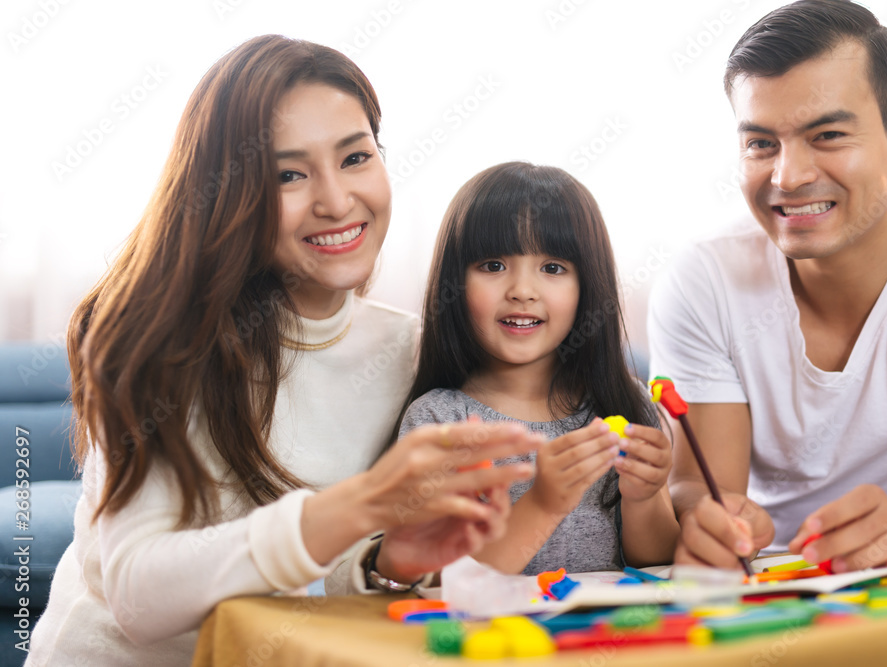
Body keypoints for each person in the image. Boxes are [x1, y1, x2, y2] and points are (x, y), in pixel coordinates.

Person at [27, 36, 542, 666]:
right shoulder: (157, 340)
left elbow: (319, 581)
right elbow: (138, 594)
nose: (335, 200)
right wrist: (362, 504)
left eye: (356, 157)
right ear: (224, 192)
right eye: (289, 174)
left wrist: (385, 564)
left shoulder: (406, 350)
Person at [649, 0, 887, 575]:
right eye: (761, 143)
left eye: (828, 134)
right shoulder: (702, 279)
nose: (788, 177)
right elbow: (695, 484)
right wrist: (710, 518)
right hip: (768, 583)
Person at [398, 162, 679, 576]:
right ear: (453, 283)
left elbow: (656, 564)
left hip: (607, 637)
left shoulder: (624, 403)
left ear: (587, 286)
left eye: (553, 268)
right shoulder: (438, 422)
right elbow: (442, 581)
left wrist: (643, 497)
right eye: (493, 265)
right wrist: (543, 503)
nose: (523, 291)